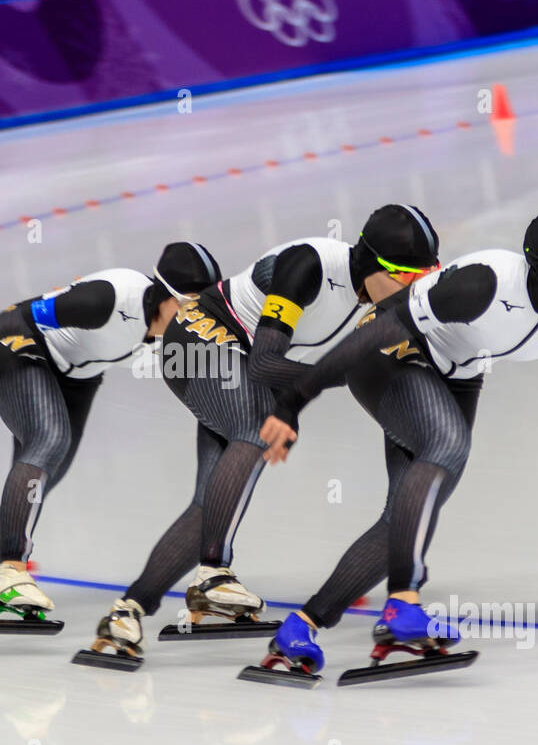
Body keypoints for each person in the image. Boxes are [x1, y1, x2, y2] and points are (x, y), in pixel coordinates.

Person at [251, 204, 538, 682]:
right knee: (446, 446)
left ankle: (299, 630)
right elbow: (378, 328)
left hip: (462, 377)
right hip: (390, 352)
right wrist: (293, 401)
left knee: (406, 521)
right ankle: (403, 606)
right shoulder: (482, 284)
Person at [81, 205, 442, 666]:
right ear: (374, 264)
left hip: (240, 365)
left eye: (422, 278)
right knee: (254, 433)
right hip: (195, 344)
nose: (412, 289)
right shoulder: (308, 268)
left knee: (210, 500)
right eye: (404, 276)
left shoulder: (378, 296)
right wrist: (342, 374)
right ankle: (211, 573)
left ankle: (125, 613)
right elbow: (267, 364)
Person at [0, 242, 222, 654]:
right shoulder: (108, 300)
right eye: (191, 304)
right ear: (165, 295)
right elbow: (5, 321)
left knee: (39, 482)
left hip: (77, 375)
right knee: (51, 439)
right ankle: (11, 570)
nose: (199, 314)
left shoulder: (174, 323)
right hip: (17, 348)